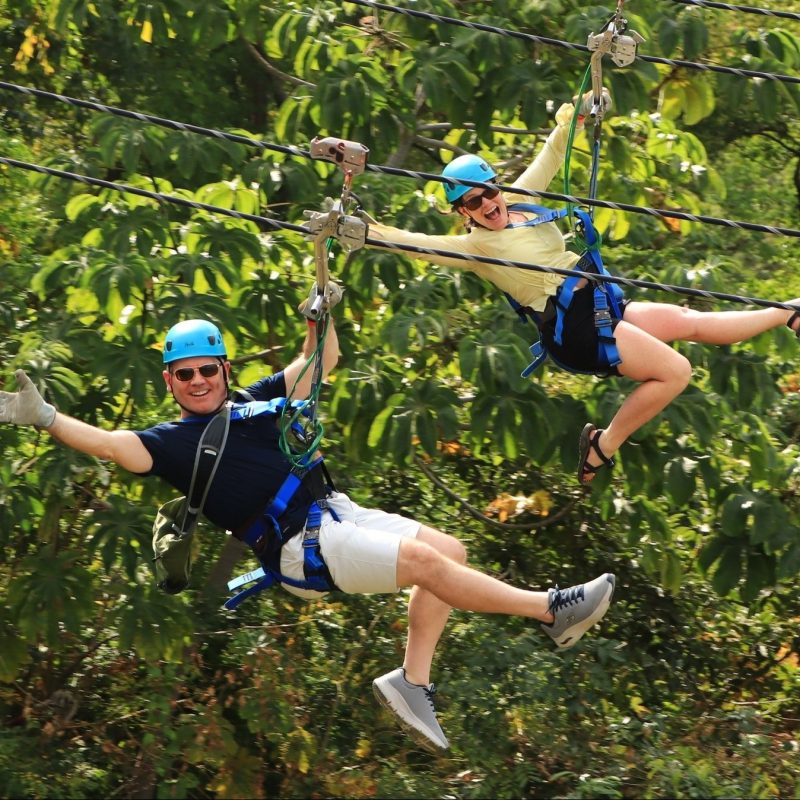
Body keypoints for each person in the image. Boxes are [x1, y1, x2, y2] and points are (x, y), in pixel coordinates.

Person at [0, 290, 616, 752]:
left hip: (334, 512)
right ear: (170, 382)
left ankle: (411, 680)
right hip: (299, 547)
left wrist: (320, 315)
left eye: (206, 369)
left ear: (223, 369)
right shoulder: (172, 443)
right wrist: (45, 416)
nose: (196, 382)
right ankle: (549, 610)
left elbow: (322, 360)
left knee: (448, 550)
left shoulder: (254, 403)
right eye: (183, 374)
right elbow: (110, 445)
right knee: (425, 565)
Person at [364, 91, 800, 485]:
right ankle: (604, 444)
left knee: (689, 321)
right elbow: (418, 245)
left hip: (596, 302)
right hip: (573, 325)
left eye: (489, 192)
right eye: (473, 203)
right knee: (676, 371)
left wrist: (579, 110)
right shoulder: (476, 245)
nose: (488, 205)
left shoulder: (518, 201)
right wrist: (365, 229)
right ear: (464, 213)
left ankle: (787, 312)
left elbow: (551, 155)